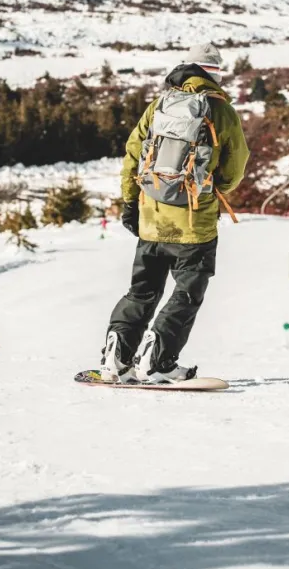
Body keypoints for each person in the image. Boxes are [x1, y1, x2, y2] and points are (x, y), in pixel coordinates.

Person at [101, 43, 249, 384]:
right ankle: (158, 359)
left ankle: (116, 357)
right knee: (186, 293)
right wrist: (214, 190)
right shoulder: (220, 110)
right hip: (194, 225)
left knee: (141, 291)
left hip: (152, 220)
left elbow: (133, 154)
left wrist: (130, 203)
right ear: (214, 74)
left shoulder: (160, 104)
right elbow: (236, 165)